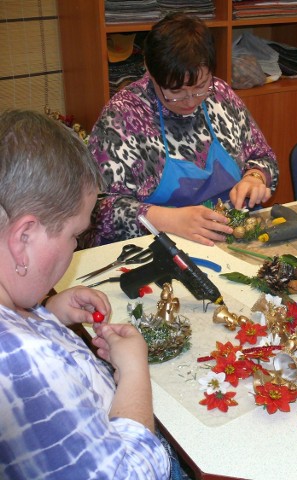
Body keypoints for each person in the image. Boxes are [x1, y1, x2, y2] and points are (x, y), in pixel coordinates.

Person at [0, 110, 170, 479]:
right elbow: (133, 475)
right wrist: (134, 371)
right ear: (23, 238)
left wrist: (47, 314)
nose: (75, 247)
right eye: (74, 235)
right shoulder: (21, 360)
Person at [88, 13, 279, 247]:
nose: (190, 100)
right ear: (149, 69)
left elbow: (263, 157)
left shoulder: (220, 95)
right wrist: (169, 219)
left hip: (233, 237)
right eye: (175, 91)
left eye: (200, 87)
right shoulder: (123, 116)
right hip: (161, 246)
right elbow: (99, 209)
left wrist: (255, 177)